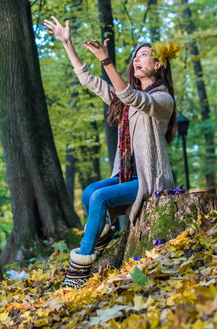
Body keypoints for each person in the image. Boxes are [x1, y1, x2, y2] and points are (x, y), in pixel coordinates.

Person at [43, 16, 180, 289]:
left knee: (100, 198)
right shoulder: (126, 99)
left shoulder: (162, 100)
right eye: (135, 57)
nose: (137, 60)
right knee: (88, 192)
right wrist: (68, 44)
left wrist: (107, 62)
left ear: (158, 65)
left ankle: (79, 269)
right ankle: (102, 236)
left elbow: (132, 97)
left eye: (144, 55)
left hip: (150, 180)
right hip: (127, 177)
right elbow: (90, 81)